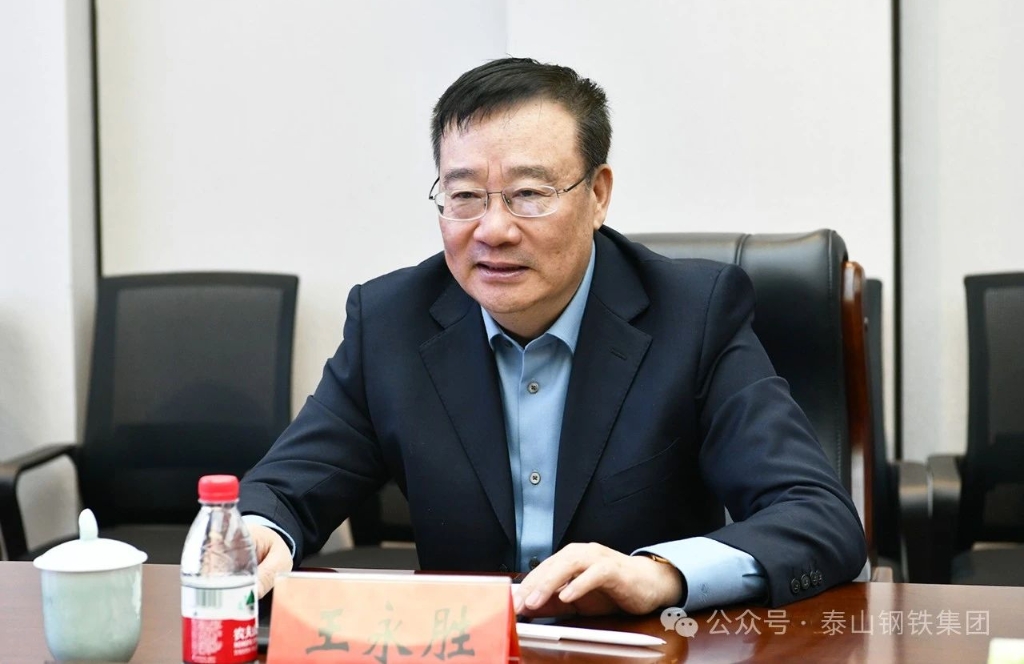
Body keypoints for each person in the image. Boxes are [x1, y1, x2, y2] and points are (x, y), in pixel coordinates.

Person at [239, 56, 866, 617]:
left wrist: (660, 574)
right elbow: (285, 489)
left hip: (645, 650)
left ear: (598, 195)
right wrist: (261, 532)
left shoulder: (693, 315)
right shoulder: (390, 321)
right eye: (465, 195)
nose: (493, 230)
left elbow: (819, 517)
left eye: (529, 194)